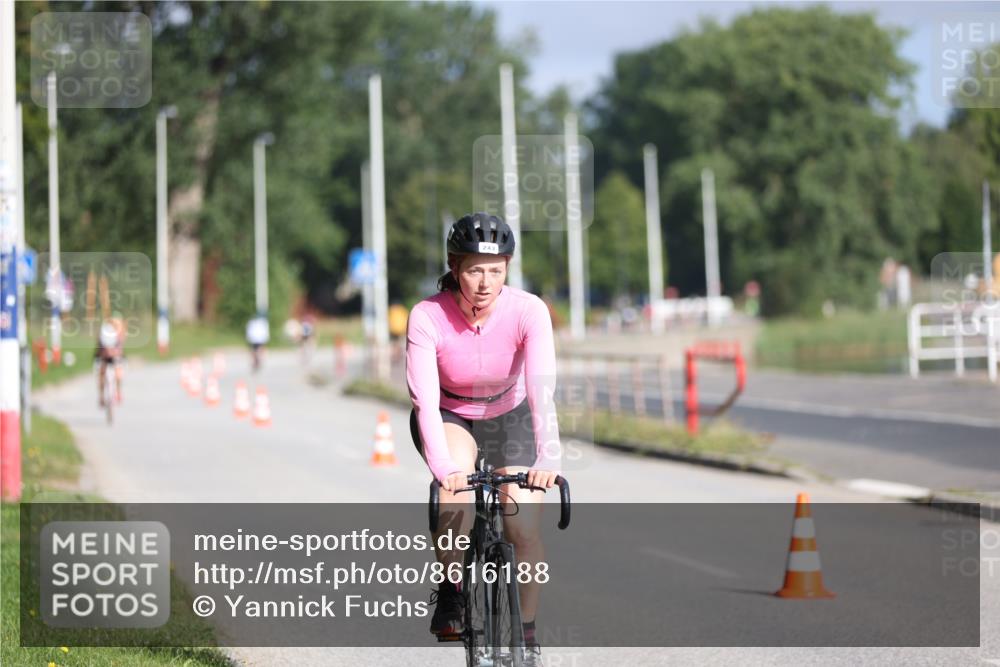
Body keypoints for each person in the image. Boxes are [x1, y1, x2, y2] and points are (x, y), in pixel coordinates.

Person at [406, 212, 561, 664]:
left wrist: (548, 457)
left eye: (496, 270)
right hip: (451, 413)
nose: (485, 282)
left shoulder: (528, 311)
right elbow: (424, 401)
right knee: (454, 495)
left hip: (510, 412)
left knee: (522, 526)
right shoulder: (427, 316)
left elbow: (541, 390)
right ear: (455, 267)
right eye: (475, 270)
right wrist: (444, 470)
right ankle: (452, 588)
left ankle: (526, 632)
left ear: (507, 268)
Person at [94, 314, 125, 406]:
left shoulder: (118, 334)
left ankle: (118, 391)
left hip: (114, 356)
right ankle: (101, 396)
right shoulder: (105, 332)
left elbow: (120, 349)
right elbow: (99, 346)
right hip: (104, 356)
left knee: (118, 372)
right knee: (101, 373)